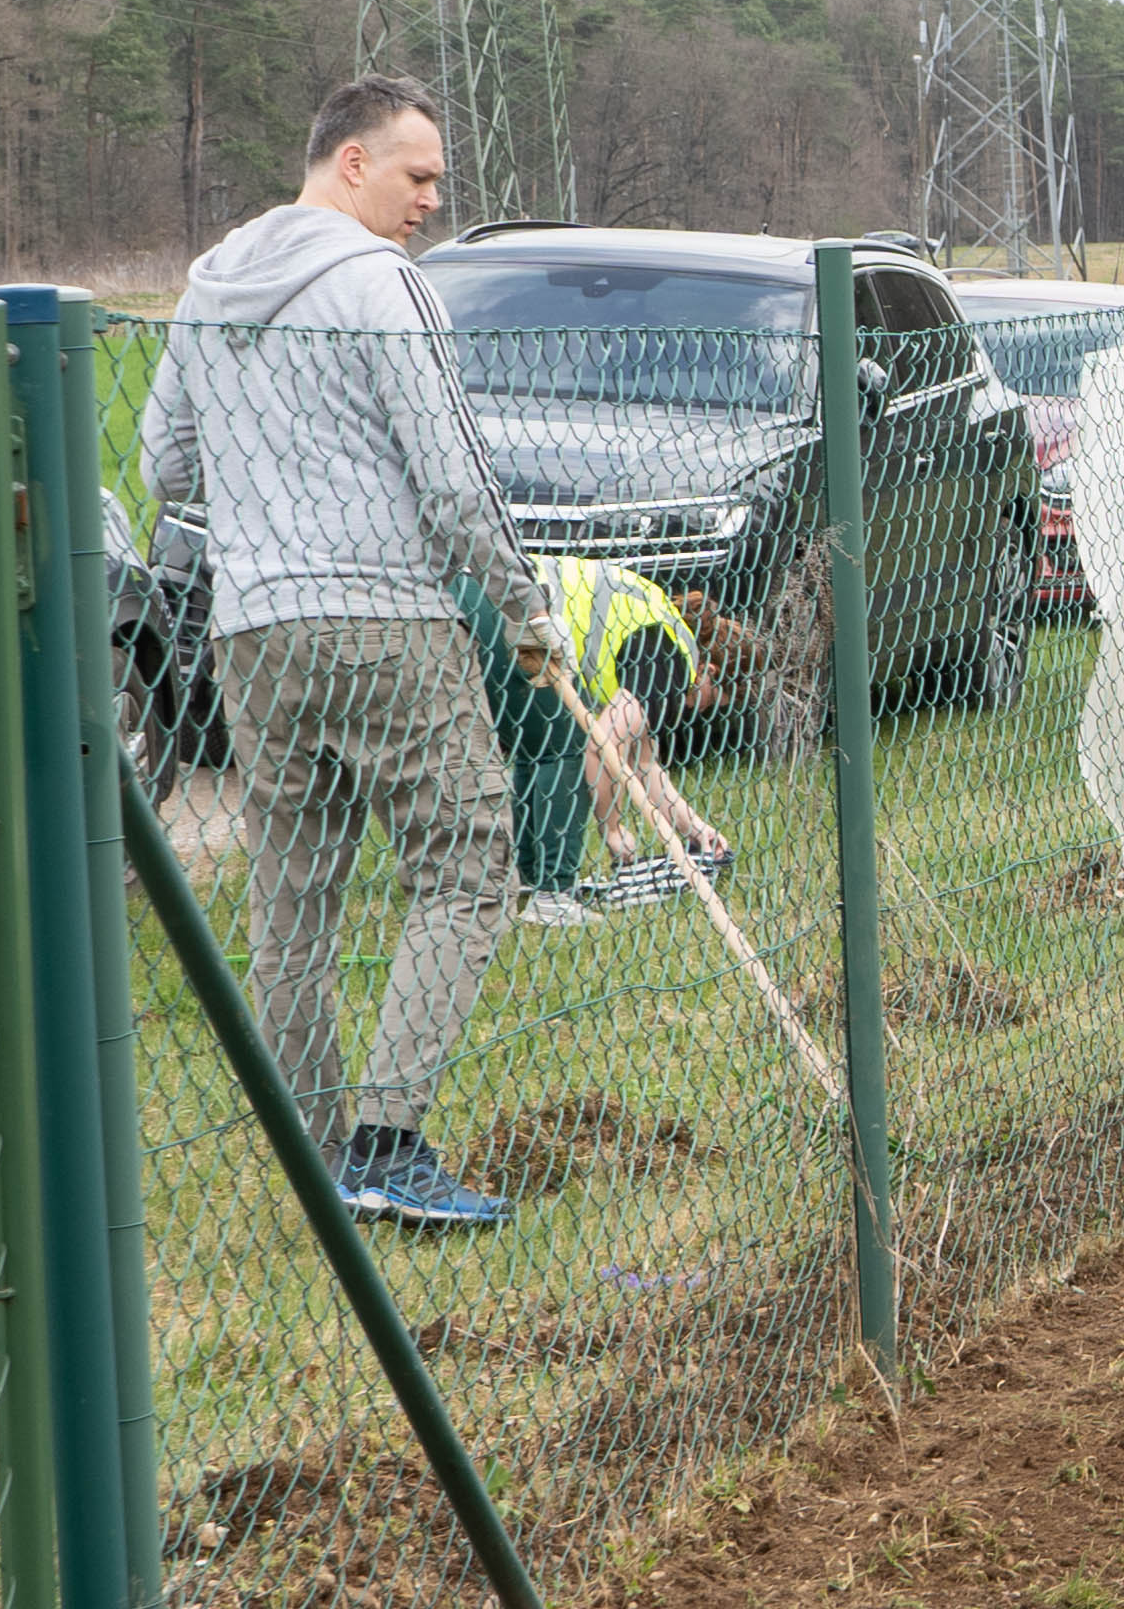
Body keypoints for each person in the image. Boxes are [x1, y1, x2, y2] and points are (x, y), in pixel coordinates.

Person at [139, 74, 567, 1229]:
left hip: (254, 634)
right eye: (419, 174)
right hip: (385, 622)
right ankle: (384, 1141)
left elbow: (166, 466)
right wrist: (527, 609)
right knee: (473, 857)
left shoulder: (207, 288)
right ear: (351, 164)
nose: (433, 198)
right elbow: (451, 472)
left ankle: (316, 1157)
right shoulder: (386, 287)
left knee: (295, 901)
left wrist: (272, 472)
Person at [481, 549, 723, 917]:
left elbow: (643, 763)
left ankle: (525, 876)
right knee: (562, 747)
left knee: (540, 742)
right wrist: (612, 828)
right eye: (715, 699)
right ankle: (552, 895)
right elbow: (601, 746)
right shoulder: (671, 658)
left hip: (502, 598)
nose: (702, 708)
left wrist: (695, 829)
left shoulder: (658, 631)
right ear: (710, 670)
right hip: (520, 610)